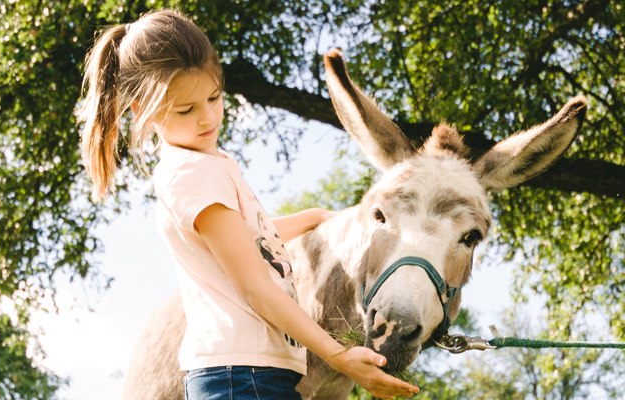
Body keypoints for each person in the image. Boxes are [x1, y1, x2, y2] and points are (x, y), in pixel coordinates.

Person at [75, 10, 418, 399]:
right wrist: (337, 355)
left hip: (245, 374)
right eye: (186, 110)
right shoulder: (194, 174)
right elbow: (255, 285)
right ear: (143, 111)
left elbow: (249, 238)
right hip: (242, 376)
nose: (207, 118)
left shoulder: (199, 166)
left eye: (214, 97)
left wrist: (314, 219)